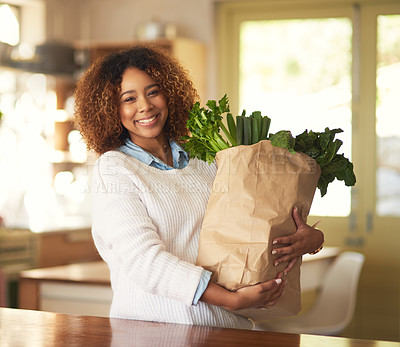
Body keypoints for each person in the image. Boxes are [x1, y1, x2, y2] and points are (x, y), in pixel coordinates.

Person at [74, 44, 324, 330]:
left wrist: (311, 239)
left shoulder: (206, 159)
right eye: (128, 98)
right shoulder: (114, 169)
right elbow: (145, 262)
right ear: (109, 109)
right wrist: (230, 300)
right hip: (156, 330)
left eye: (153, 91)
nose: (145, 105)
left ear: (169, 93)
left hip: (229, 329)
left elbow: (252, 225)